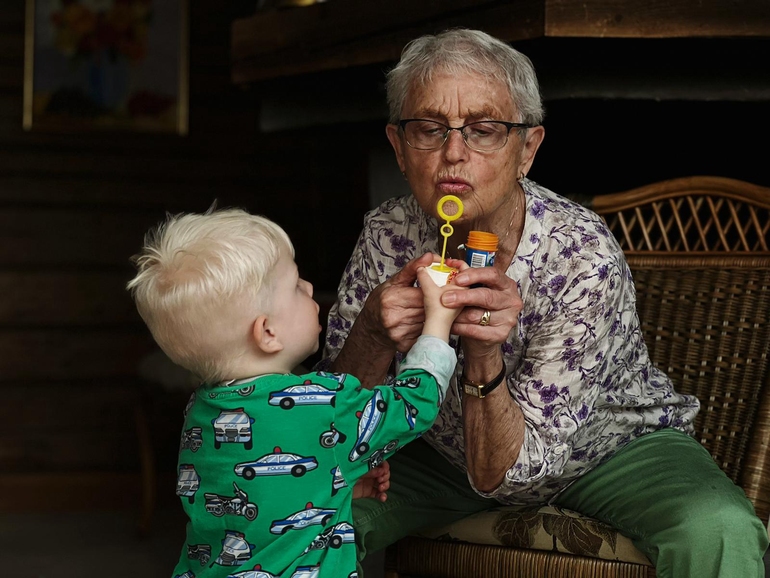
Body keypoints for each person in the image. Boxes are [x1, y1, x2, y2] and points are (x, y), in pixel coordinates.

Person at [317, 28, 769, 577]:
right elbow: (328, 423)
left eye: (484, 131)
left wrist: (484, 353)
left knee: (716, 529)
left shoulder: (583, 254)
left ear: (527, 149)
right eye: (428, 130)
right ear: (399, 147)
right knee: (304, 505)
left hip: (608, 451)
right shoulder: (388, 233)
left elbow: (515, 473)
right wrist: (370, 334)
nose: (452, 154)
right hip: (440, 455)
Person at [126, 207, 469, 578]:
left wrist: (329, 484)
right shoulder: (323, 402)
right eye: (295, 284)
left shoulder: (202, 412)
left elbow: (243, 502)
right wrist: (438, 319)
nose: (308, 287)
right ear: (267, 333)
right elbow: (414, 405)